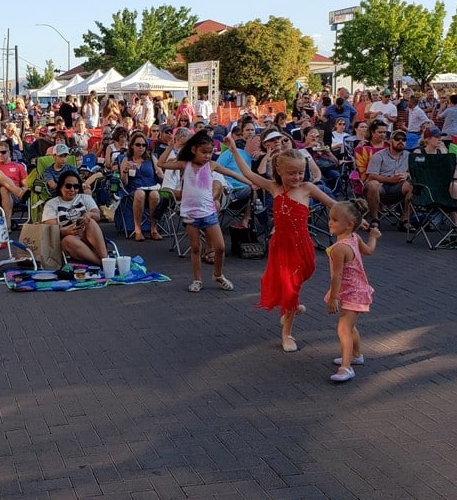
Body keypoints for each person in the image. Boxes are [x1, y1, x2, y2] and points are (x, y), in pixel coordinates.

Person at [224, 138, 336, 353]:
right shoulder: (274, 188)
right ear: (279, 171)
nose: (296, 177)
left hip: (302, 244)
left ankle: (290, 306)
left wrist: (356, 218)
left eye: (300, 172)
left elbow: (333, 204)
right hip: (281, 246)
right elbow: (249, 174)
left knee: (304, 275)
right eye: (291, 173)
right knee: (290, 288)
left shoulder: (307, 188)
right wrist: (233, 151)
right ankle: (287, 332)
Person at [157, 131, 249, 293]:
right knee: (195, 248)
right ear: (194, 150)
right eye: (204, 152)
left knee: (220, 247)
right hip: (190, 213)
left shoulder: (211, 165)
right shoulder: (184, 164)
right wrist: (170, 147)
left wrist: (251, 183)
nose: (207, 156)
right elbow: (161, 164)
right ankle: (197, 279)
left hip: (209, 212)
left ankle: (218, 275)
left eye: (210, 152)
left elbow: (232, 173)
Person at [325, 198, 380, 383]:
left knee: (343, 329)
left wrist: (333, 298)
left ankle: (346, 367)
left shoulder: (340, 248)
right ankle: (356, 355)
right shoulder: (354, 238)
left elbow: (337, 276)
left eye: (335, 219)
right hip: (356, 290)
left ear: (349, 225)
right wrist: (373, 237)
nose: (330, 222)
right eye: (330, 218)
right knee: (349, 326)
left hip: (352, 292)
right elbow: (369, 251)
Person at [42, 171, 107, 265]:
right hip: (68, 238)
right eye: (68, 186)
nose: (72, 189)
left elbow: (97, 216)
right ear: (60, 186)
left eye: (76, 186)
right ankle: (103, 263)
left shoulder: (85, 198)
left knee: (90, 221)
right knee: (68, 240)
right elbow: (52, 229)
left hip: (89, 235)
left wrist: (89, 214)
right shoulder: (51, 204)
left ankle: (105, 259)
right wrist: (65, 231)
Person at [364, 130, 413, 231]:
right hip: (381, 186)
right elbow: (371, 175)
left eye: (403, 139)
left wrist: (407, 174)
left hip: (399, 186)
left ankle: (405, 220)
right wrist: (389, 179)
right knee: (373, 184)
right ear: (390, 141)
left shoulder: (409, 156)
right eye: (397, 139)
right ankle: (375, 219)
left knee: (413, 185)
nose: (401, 141)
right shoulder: (379, 156)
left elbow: (415, 173)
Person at [120, 132, 164, 242]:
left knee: (155, 195)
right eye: (138, 145)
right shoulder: (127, 159)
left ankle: (153, 228)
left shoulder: (151, 158)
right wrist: (125, 171)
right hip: (134, 189)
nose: (141, 148)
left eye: (144, 145)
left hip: (152, 187)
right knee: (140, 194)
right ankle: (138, 229)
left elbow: (162, 177)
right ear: (132, 146)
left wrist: (160, 174)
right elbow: (124, 183)